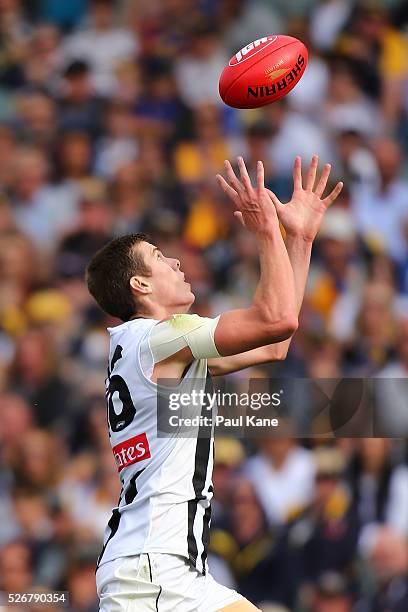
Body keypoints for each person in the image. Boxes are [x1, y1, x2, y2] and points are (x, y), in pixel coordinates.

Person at [86, 155, 343, 611]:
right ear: (141, 285)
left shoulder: (149, 347)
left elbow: (275, 344)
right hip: (154, 571)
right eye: (160, 258)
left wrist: (299, 239)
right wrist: (268, 229)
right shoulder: (162, 338)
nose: (176, 261)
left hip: (157, 569)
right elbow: (276, 318)